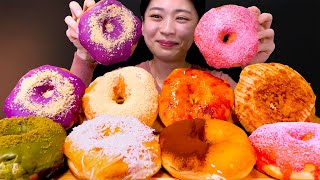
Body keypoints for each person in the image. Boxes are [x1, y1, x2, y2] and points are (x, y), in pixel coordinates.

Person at [65, 0, 275, 91]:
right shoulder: (118, 81)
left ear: (199, 25)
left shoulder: (221, 85)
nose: (167, 29)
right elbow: (70, 127)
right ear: (142, 24)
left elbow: (264, 130)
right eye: (156, 16)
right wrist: (84, 56)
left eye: (181, 18)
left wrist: (254, 70)